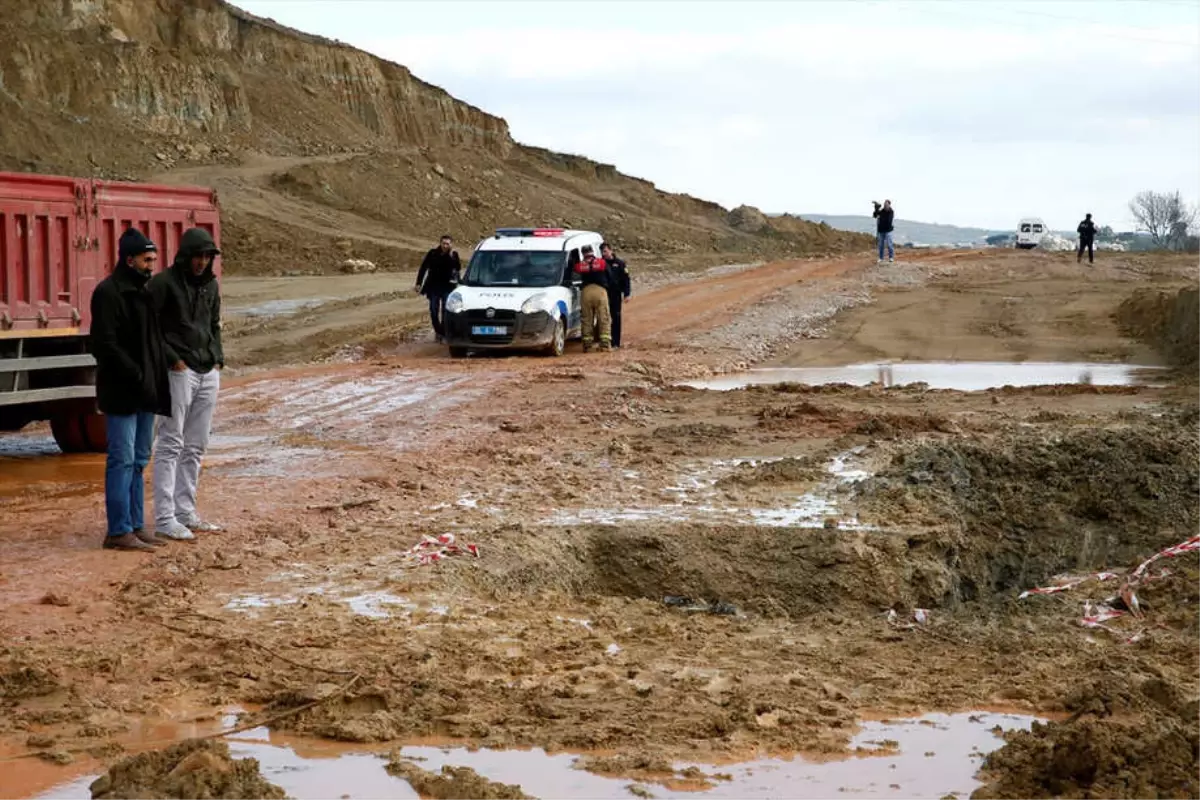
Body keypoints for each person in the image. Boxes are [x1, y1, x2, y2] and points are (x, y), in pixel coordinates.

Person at [90, 229, 172, 552]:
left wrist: (153, 377)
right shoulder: (108, 293)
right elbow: (104, 345)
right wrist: (136, 373)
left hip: (144, 392)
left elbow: (153, 342)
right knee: (122, 459)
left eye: (153, 259)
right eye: (146, 259)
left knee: (139, 459)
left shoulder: (145, 292)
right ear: (129, 259)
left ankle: (136, 526)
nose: (151, 265)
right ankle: (118, 530)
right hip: (122, 392)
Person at [148, 228, 224, 541]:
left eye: (207, 257)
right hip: (178, 371)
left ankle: (185, 511)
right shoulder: (163, 284)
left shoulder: (211, 286)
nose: (202, 262)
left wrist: (218, 356)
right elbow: (148, 326)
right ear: (186, 255)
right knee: (171, 441)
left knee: (196, 445)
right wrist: (172, 359)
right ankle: (165, 518)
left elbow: (214, 324)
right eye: (198, 256)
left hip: (208, 371)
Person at [415, 235, 461, 343]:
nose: (445, 245)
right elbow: (423, 267)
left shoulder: (454, 254)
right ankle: (438, 332)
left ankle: (444, 333)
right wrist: (418, 283)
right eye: (443, 243)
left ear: (451, 244)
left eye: (447, 244)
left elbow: (458, 268)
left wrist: (450, 257)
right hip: (434, 287)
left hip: (447, 288)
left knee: (446, 312)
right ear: (440, 243)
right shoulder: (432, 253)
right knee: (433, 311)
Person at [574, 244, 612, 352]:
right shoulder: (602, 262)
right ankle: (604, 344)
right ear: (592, 252)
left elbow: (573, 275)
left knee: (587, 319)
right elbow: (610, 276)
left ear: (583, 253)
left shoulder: (579, 265)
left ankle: (587, 345)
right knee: (604, 318)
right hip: (600, 291)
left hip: (586, 292)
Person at [601, 243, 631, 349]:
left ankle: (615, 342)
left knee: (616, 317)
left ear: (610, 250)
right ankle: (605, 341)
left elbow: (626, 279)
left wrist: (627, 294)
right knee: (604, 317)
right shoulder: (601, 263)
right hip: (604, 293)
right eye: (602, 252)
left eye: (605, 251)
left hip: (616, 294)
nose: (604, 254)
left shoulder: (620, 263)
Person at [872, 200, 895, 264]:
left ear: (889, 205)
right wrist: (876, 208)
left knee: (889, 244)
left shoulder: (891, 212)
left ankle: (891, 257)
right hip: (881, 231)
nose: (885, 206)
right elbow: (875, 215)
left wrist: (881, 218)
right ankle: (881, 258)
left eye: (886, 205)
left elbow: (889, 221)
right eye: (884, 204)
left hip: (888, 231)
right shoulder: (882, 211)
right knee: (881, 245)